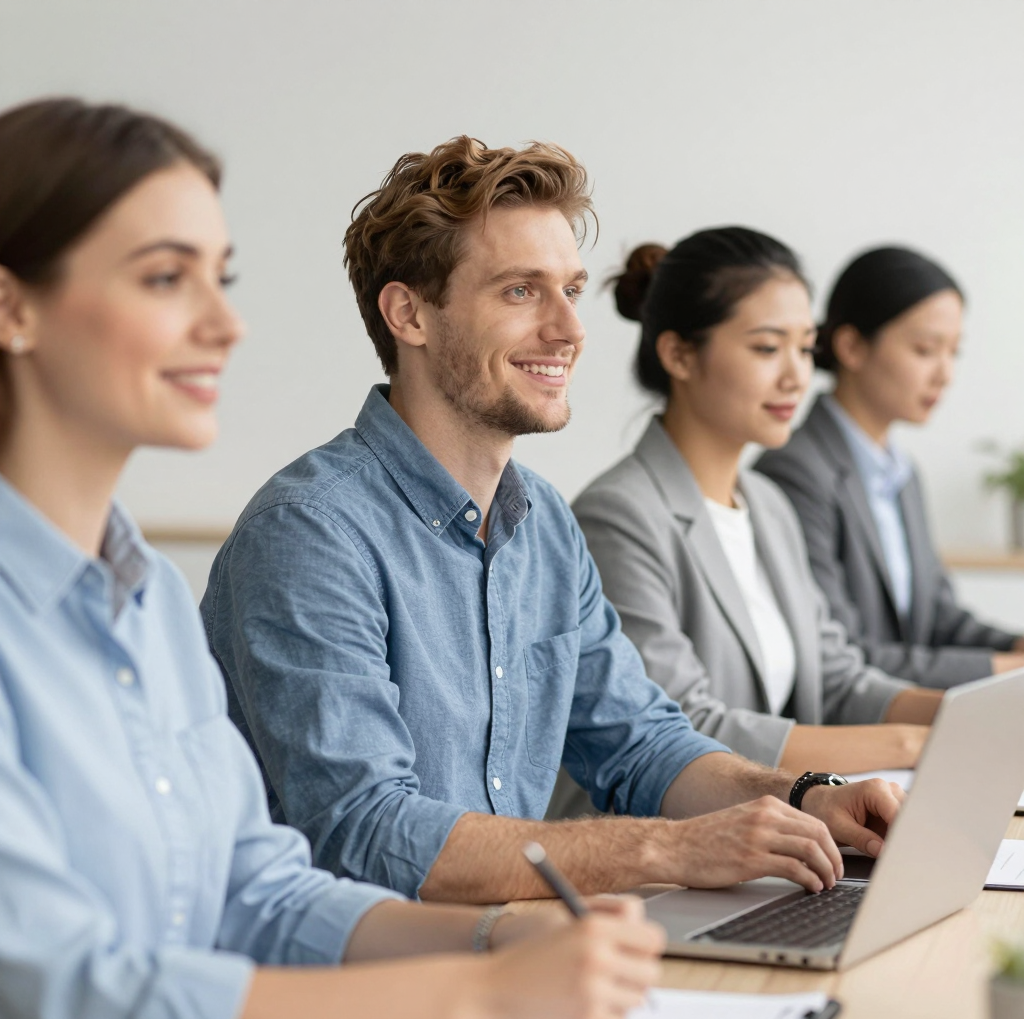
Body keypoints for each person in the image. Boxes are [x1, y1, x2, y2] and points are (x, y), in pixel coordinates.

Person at [0, 98, 667, 1019]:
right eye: (163, 279)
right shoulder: (303, 528)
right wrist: (477, 990)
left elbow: (258, 893)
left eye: (220, 278)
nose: (226, 325)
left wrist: (494, 938)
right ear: (13, 307)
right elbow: (62, 988)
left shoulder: (142, 594)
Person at [203, 137, 904, 909]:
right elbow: (368, 831)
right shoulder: (309, 533)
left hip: (522, 955)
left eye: (570, 289)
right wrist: (669, 847)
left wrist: (804, 796)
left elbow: (640, 743)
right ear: (409, 314)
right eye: (520, 292)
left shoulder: (543, 526)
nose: (570, 329)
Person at [547, 231, 943, 821]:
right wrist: (913, 743)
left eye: (805, 349)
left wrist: (958, 715)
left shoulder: (767, 503)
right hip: (648, 859)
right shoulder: (619, 515)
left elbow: (835, 679)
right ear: (679, 354)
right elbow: (686, 725)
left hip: (764, 842)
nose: (796, 377)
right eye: (766, 348)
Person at [756, 246, 1024, 688]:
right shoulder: (794, 471)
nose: (945, 374)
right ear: (851, 346)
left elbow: (939, 619)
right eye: (925, 349)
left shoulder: (902, 474)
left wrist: (1015, 647)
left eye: (953, 352)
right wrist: (1010, 672)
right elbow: (842, 655)